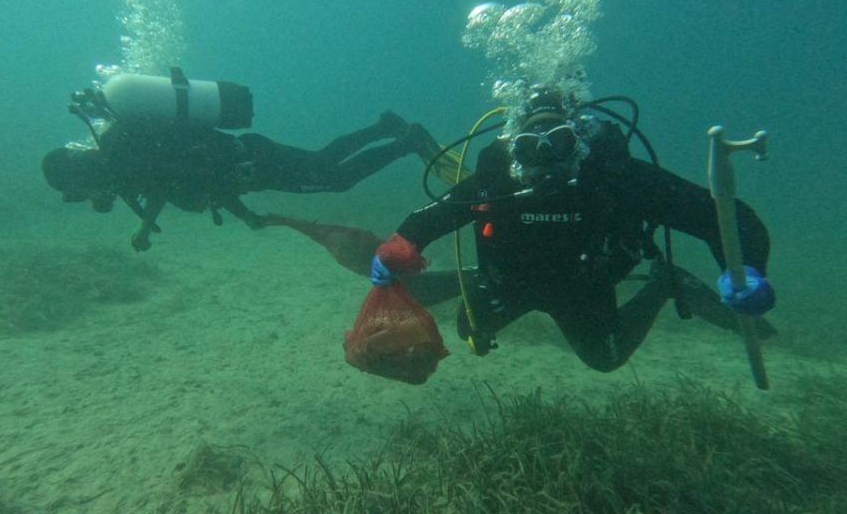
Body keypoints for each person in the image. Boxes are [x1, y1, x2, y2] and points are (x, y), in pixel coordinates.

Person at [369, 86, 776, 372]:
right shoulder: (497, 181)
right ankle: (478, 279)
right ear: (515, 149)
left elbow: (724, 215)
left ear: (579, 141)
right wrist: (400, 245)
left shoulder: (616, 178)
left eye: (560, 141)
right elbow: (435, 215)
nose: (544, 157)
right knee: (468, 331)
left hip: (586, 291)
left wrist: (748, 268)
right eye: (529, 147)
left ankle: (666, 282)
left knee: (606, 359)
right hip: (510, 283)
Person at [43, 104, 434, 253]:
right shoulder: (121, 153)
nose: (86, 196)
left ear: (79, 173)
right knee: (323, 161)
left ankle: (406, 141)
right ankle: (385, 126)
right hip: (248, 155)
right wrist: (146, 223)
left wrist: (243, 213)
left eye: (76, 189)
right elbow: (180, 182)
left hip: (251, 166)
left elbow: (191, 182)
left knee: (334, 178)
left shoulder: (123, 158)